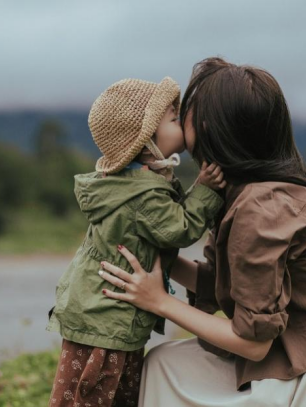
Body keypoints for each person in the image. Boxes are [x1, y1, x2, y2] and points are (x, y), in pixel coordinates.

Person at [98, 57, 306, 407]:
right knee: (164, 366)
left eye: (183, 112)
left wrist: (159, 301)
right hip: (290, 350)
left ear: (206, 126)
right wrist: (151, 254)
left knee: (169, 368)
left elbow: (252, 340)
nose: (177, 118)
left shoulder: (260, 206)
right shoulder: (243, 192)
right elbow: (225, 284)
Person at [45, 76, 227, 407]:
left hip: (105, 314)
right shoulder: (141, 193)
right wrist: (205, 191)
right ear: (146, 144)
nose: (180, 120)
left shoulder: (137, 182)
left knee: (113, 392)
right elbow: (179, 229)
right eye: (173, 119)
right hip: (106, 320)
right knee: (97, 394)